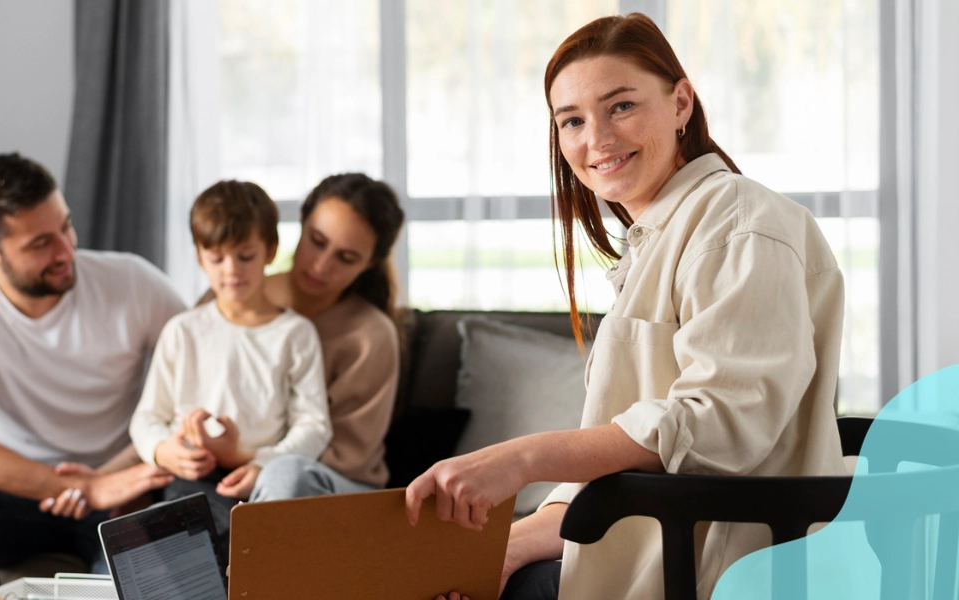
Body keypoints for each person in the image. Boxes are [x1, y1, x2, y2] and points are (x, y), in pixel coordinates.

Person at [407, 13, 846, 600]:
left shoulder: (741, 226)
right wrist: (513, 544)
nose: (597, 140)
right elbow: (621, 456)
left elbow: (719, 423)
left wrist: (523, 458)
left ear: (681, 103)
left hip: (714, 567)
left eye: (621, 107)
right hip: (639, 542)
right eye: (572, 120)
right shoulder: (657, 239)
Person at [0, 153, 184, 600]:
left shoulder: (132, 282)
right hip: (14, 493)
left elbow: (205, 377)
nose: (66, 250)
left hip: (119, 491)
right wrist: (74, 486)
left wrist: (119, 476)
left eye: (66, 226)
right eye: (41, 244)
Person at [129, 180, 333, 540]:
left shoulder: (295, 334)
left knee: (260, 541)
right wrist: (164, 451)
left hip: (260, 481)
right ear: (199, 257)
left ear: (270, 251)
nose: (231, 270)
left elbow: (314, 425)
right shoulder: (183, 330)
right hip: (190, 482)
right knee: (145, 553)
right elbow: (147, 417)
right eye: (217, 258)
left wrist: (261, 463)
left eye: (245, 255)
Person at [246, 173, 407, 500]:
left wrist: (251, 461)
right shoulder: (234, 297)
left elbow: (349, 455)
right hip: (228, 468)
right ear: (302, 222)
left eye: (345, 258)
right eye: (316, 241)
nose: (320, 266)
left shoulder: (371, 336)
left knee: (286, 474)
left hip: (331, 483)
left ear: (370, 263)